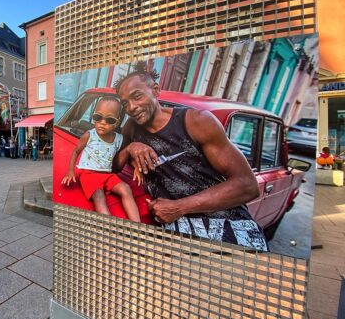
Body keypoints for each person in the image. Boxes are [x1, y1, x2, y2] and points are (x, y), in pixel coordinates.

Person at [113, 70, 267, 251]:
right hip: (178, 232)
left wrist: (178, 207)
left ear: (155, 90)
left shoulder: (197, 121)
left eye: (137, 96)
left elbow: (248, 185)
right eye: (125, 103)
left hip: (229, 226)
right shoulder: (132, 128)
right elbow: (114, 165)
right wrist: (131, 148)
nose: (131, 107)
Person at [62, 97, 141, 222]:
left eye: (109, 120)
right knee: (98, 196)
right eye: (98, 117)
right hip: (88, 174)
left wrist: (137, 167)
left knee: (126, 188)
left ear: (117, 122)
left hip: (108, 174)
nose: (102, 122)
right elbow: (76, 151)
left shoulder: (119, 139)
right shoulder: (89, 135)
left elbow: (126, 155)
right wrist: (70, 171)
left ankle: (137, 225)